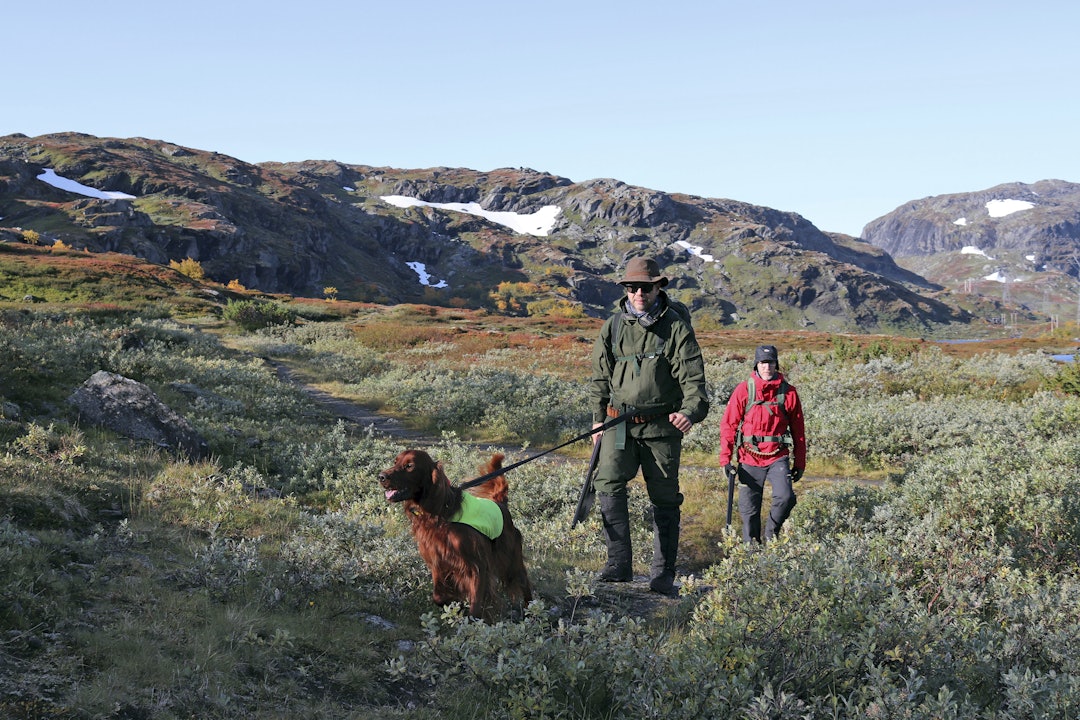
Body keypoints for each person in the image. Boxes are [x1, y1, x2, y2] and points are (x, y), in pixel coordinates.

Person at [588, 257, 710, 594]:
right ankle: (618, 565)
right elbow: (600, 376)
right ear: (625, 289)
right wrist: (598, 419)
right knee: (608, 483)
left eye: (645, 286)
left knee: (665, 498)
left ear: (659, 287)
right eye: (632, 287)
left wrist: (691, 411)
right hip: (618, 424)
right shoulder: (611, 327)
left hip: (661, 429)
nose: (639, 292)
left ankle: (662, 574)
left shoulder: (675, 327)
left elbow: (693, 379)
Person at [719, 344, 806, 544]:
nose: (767, 367)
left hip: (778, 456)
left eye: (771, 362)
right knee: (749, 508)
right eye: (763, 362)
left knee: (785, 497)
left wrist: (800, 463)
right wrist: (725, 459)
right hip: (749, 457)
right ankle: (751, 550)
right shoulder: (743, 390)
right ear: (756, 364)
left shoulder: (789, 393)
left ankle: (771, 535)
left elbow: (799, 432)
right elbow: (729, 425)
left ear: (776, 364)